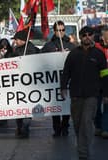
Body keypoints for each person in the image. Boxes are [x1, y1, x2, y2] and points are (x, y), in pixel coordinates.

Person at [61, 26, 108, 160]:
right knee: (77, 123)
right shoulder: (73, 54)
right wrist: (63, 87)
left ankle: (83, 153)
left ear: (93, 36)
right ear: (80, 37)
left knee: (86, 122)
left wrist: (106, 94)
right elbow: (66, 72)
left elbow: (105, 75)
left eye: (89, 35)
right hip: (76, 95)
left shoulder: (98, 54)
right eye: (84, 35)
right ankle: (83, 142)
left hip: (92, 95)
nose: (87, 37)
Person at [41, 20, 76, 137]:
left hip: (67, 81)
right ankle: (56, 128)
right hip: (53, 81)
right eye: (58, 30)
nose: (60, 32)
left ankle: (65, 126)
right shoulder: (48, 46)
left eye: (62, 30)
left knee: (66, 104)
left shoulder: (71, 46)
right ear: (54, 31)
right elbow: (40, 60)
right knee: (55, 106)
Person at [7, 30, 39, 138]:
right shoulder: (18, 49)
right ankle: (20, 127)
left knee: (26, 107)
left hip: (28, 84)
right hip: (18, 83)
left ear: (22, 40)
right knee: (19, 106)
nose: (15, 41)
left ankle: (24, 128)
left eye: (16, 39)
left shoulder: (30, 50)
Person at [94, 25, 108, 139]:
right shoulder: (96, 48)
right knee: (96, 107)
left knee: (107, 106)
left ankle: (105, 129)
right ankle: (98, 127)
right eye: (104, 37)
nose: (105, 40)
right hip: (98, 82)